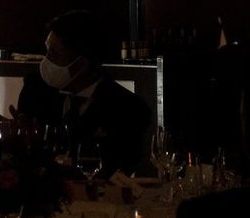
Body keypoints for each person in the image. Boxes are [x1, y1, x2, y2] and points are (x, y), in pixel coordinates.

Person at [14, 9, 150, 177]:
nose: (46, 61)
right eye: (47, 51)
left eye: (54, 54)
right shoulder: (36, 91)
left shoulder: (128, 108)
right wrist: (20, 144)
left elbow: (117, 172)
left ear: (81, 65)